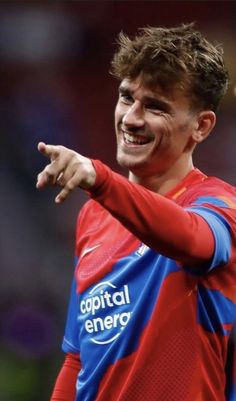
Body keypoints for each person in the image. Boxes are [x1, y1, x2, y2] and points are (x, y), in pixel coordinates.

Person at [36, 23, 236, 401]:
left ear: (201, 126)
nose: (131, 118)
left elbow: (193, 240)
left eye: (155, 107)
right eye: (127, 98)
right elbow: (78, 358)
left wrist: (101, 180)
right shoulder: (94, 216)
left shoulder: (219, 205)